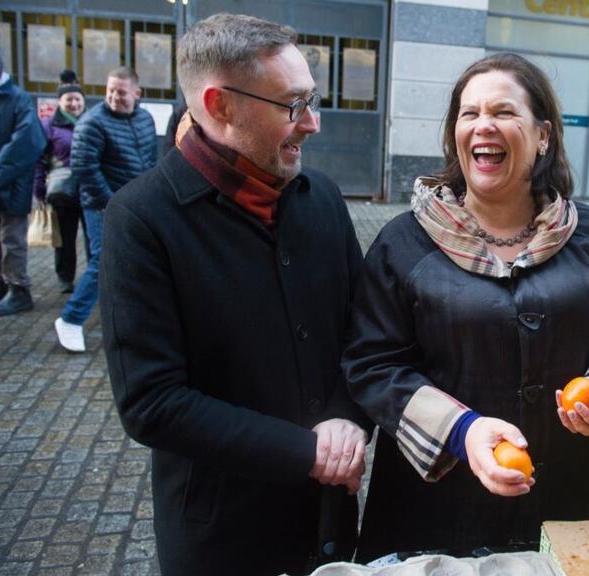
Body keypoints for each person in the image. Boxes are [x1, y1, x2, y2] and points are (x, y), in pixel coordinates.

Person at [342, 52, 589, 562]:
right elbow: (371, 367)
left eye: (504, 112)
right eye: (469, 114)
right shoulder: (404, 244)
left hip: (570, 499)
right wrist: (463, 431)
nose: (484, 125)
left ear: (543, 136)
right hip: (435, 508)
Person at [100, 13, 369, 575]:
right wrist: (306, 451)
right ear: (221, 105)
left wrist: (346, 418)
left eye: (312, 99)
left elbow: (361, 332)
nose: (313, 123)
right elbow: (152, 403)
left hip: (327, 520)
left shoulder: (321, 197)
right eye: (293, 105)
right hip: (222, 534)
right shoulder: (140, 219)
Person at [53, 66, 157, 352]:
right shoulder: (92, 122)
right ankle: (71, 319)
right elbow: (85, 168)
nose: (114, 97)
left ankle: (131, 320)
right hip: (101, 206)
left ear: (137, 93)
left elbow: (149, 162)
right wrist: (113, 203)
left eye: (121, 92)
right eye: (110, 90)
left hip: (135, 205)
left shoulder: (146, 120)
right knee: (103, 262)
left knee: (132, 263)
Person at [0, 38, 46, 317]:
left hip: (9, 185)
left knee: (12, 239)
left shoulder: (16, 98)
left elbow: (27, 141)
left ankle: (19, 289)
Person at [33, 70, 89, 294]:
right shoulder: (49, 126)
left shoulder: (91, 121)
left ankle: (94, 277)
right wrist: (38, 189)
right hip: (61, 190)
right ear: (60, 102)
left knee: (93, 237)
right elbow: (39, 159)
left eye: (77, 99)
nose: (74, 103)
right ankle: (65, 277)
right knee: (64, 238)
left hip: (87, 188)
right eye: (69, 99)